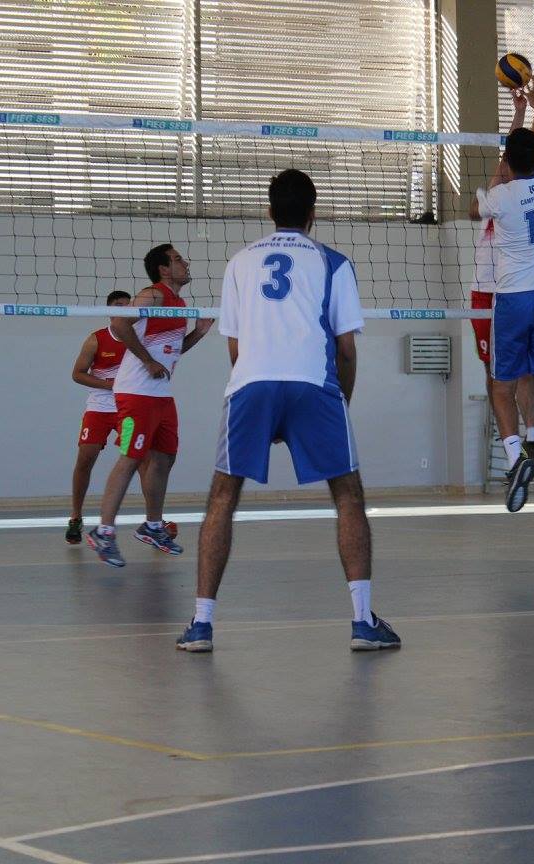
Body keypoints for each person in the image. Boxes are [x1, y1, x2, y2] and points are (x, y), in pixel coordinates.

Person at [177, 168, 399, 653]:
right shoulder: (334, 262)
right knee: (348, 496)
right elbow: (345, 349)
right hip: (313, 385)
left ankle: (201, 624)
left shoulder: (239, 262)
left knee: (221, 497)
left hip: (251, 384)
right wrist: (340, 404)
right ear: (313, 213)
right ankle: (363, 622)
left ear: (270, 211)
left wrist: (263, 397)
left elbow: (234, 347)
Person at [474, 57, 534, 512]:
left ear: (508, 161)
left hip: (512, 299)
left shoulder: (500, 197)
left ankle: (516, 459)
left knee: (501, 385)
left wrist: (522, 117)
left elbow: (478, 209)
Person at [86, 245, 213, 566]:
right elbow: (118, 323)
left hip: (160, 393)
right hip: (136, 392)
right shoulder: (153, 295)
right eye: (178, 260)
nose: (186, 263)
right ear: (163, 269)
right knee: (130, 457)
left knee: (165, 457)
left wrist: (198, 334)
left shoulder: (178, 304)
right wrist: (146, 361)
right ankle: (104, 531)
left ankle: (152, 526)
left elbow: (171, 352)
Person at [65, 290, 132, 544]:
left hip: (128, 411)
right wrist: (109, 384)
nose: (124, 309)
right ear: (110, 310)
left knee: (143, 460)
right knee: (86, 457)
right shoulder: (96, 339)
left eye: (129, 306)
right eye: (119, 305)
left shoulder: (141, 338)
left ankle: (153, 521)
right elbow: (77, 374)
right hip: (100, 409)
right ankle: (76, 516)